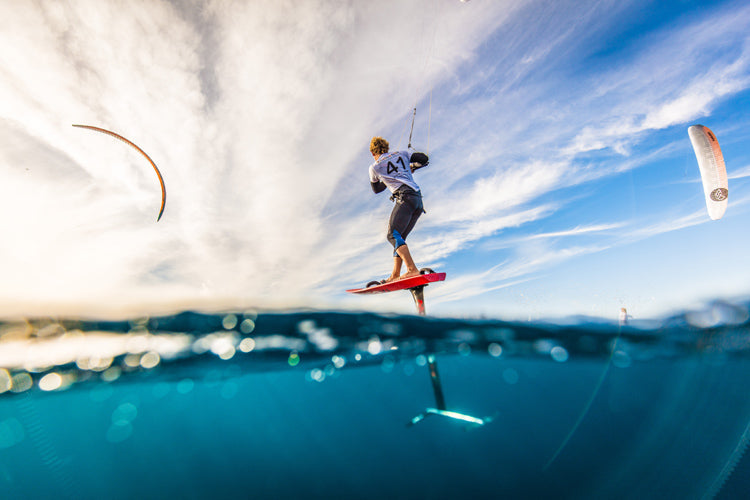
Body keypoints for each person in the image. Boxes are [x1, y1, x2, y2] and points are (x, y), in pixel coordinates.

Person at [368, 136, 429, 283]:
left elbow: (376, 189)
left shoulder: (375, 166)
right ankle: (395, 274)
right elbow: (424, 158)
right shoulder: (402, 153)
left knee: (392, 235)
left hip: (405, 199)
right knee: (399, 237)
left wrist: (387, 178)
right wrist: (411, 167)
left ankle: (411, 269)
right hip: (417, 200)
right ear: (386, 147)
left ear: (372, 152)